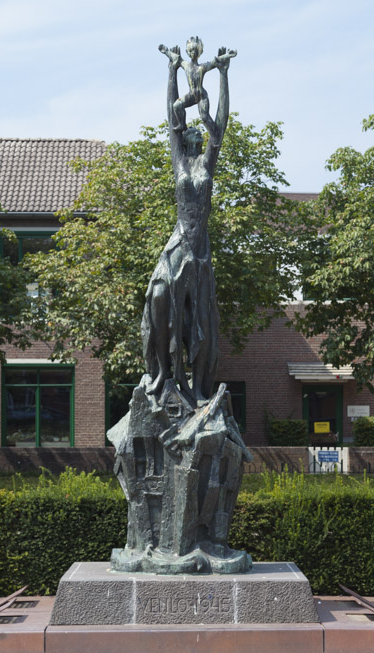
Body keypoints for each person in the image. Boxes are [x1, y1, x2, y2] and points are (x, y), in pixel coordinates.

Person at [142, 38, 236, 404]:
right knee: (160, 296)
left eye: (199, 130)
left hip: (200, 256)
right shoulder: (180, 162)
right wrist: (172, 69)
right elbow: (171, 113)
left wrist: (224, 76)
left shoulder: (207, 163)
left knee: (202, 325)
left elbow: (222, 123)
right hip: (178, 247)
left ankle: (197, 390)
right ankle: (164, 372)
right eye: (190, 131)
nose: (193, 132)